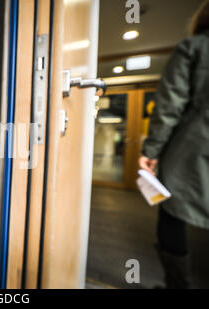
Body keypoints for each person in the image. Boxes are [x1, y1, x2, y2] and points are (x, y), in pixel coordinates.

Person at [139, 0, 209, 289]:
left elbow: (169, 106)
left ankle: (176, 286)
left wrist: (151, 152)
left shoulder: (195, 47)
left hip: (192, 150)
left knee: (171, 214)